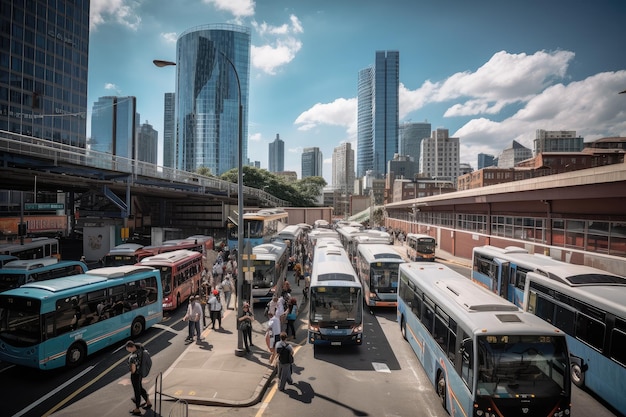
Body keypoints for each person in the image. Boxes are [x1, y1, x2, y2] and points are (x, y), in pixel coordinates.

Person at [126, 340, 152, 415]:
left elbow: (133, 370)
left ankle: (137, 409)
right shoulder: (141, 350)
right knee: (140, 388)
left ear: (130, 348)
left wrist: (130, 368)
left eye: (128, 349)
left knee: (137, 391)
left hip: (135, 375)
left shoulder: (132, 357)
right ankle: (148, 402)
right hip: (140, 373)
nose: (128, 351)